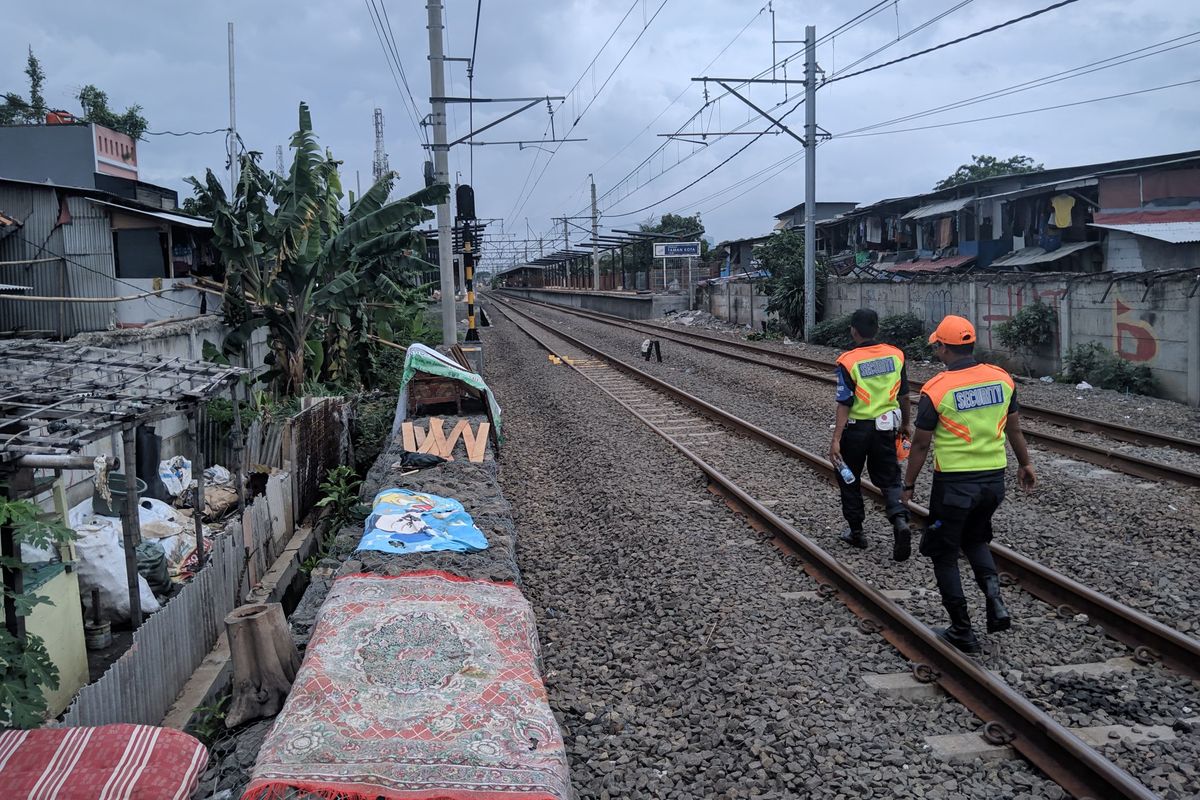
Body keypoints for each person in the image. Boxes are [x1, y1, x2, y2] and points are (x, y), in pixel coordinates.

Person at [901, 315, 1037, 654]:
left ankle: (962, 629)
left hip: (955, 486)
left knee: (943, 552)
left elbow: (920, 445)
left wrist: (908, 485)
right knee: (976, 538)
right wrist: (1025, 463)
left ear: (944, 347)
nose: (936, 351)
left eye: (936, 346)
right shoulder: (1002, 380)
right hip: (993, 482)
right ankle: (995, 601)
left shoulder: (937, 389)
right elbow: (1014, 429)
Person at [830, 308, 912, 560]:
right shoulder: (896, 356)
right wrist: (906, 424)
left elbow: (845, 402)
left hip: (856, 429)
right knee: (890, 479)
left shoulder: (848, 360)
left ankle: (857, 532)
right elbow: (905, 395)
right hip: (886, 429)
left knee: (849, 477)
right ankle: (899, 520)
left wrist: (836, 438)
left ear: (853, 330)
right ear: (877, 329)